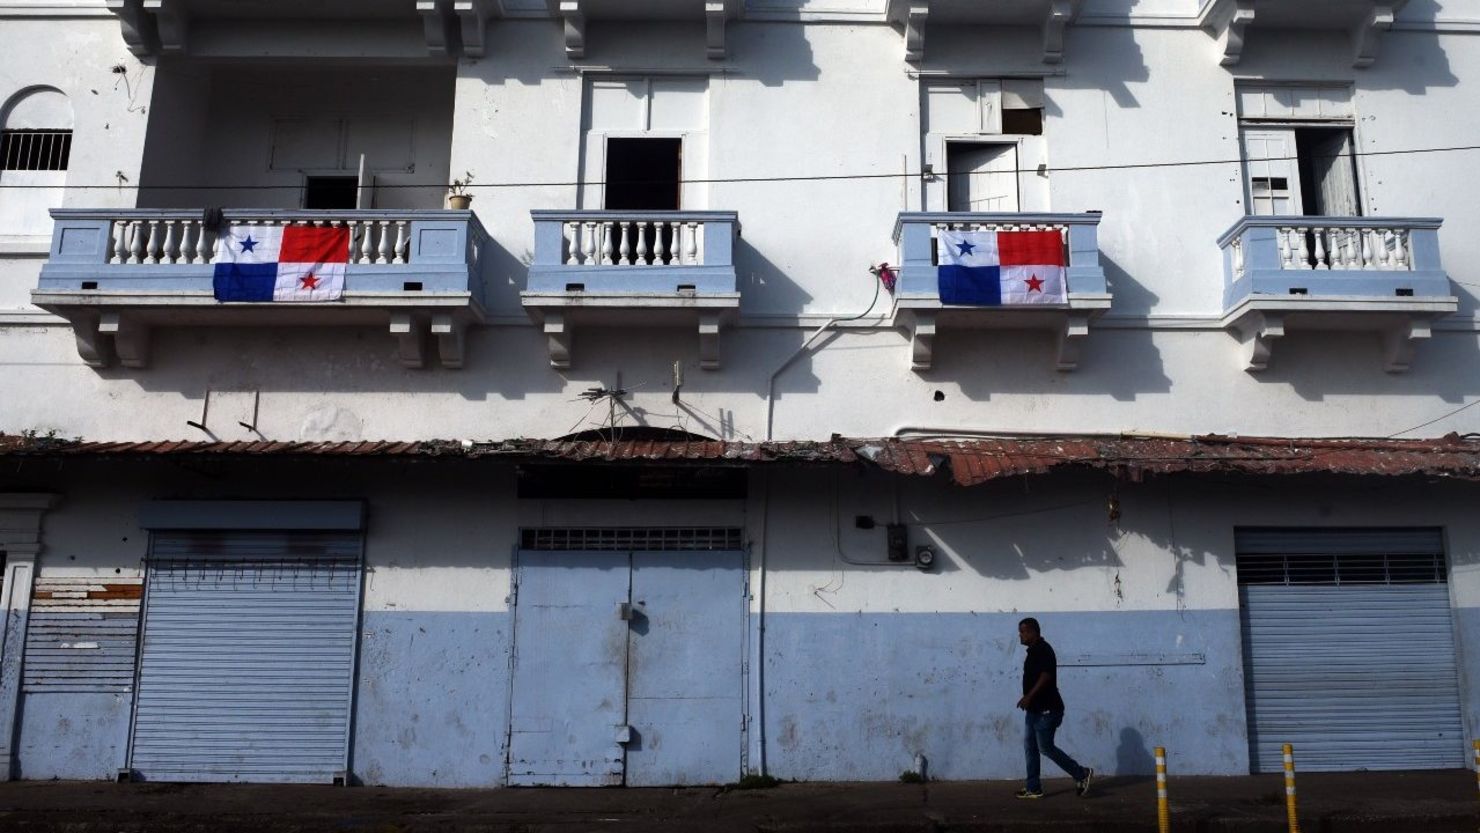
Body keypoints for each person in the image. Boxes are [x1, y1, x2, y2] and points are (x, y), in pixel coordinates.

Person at [1015, 617, 1093, 799]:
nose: (1021, 635)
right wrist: (1027, 699)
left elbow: (1046, 676)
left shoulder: (1044, 650)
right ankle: (1033, 788)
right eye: (1020, 631)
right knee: (1030, 748)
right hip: (1034, 711)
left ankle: (1081, 773)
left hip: (1047, 710)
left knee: (1046, 748)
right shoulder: (1033, 651)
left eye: (1023, 631)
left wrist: (1028, 696)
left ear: (1034, 632)